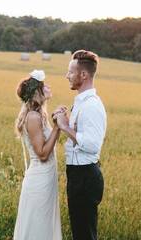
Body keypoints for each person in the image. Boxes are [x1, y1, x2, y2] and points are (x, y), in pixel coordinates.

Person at [53, 50, 107, 240]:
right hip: (78, 174)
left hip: (85, 176)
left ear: (83, 75)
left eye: (70, 72)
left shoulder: (91, 105)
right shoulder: (81, 102)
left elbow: (91, 144)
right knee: (80, 232)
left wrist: (64, 126)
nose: (66, 75)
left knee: (85, 234)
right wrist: (66, 121)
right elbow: (81, 133)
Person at [12, 69, 62, 240]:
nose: (47, 87)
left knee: (44, 226)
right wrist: (57, 127)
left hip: (46, 178)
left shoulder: (39, 114)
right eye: (43, 85)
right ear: (36, 92)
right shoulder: (33, 117)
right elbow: (42, 154)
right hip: (39, 181)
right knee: (39, 228)